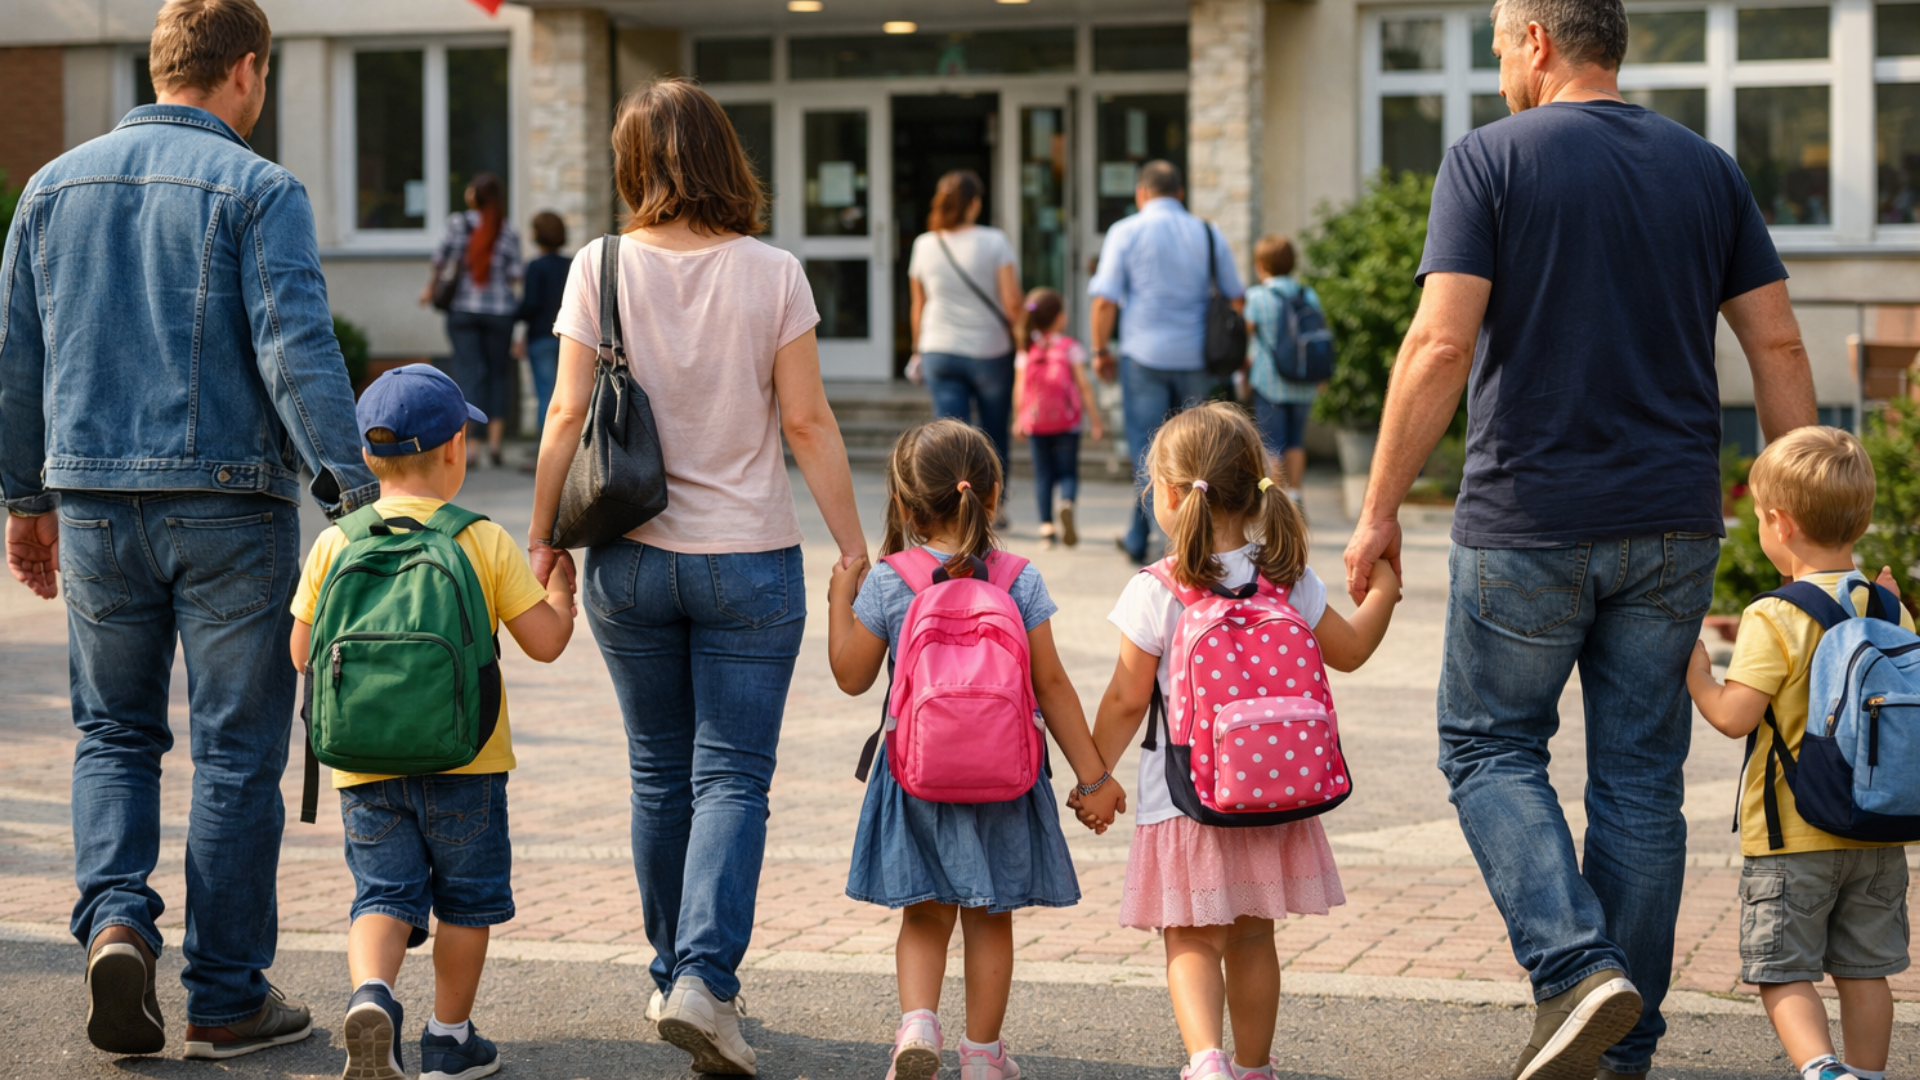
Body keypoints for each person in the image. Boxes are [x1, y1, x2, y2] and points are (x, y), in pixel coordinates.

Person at [1339, 0, 1820, 1074]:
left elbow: (1437, 344)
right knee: (1643, 783)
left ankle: (1572, 970)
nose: (1498, 60)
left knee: (1488, 746)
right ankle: (1619, 1049)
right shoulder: (1707, 169)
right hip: (1672, 523)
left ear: (1539, 42)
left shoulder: (1488, 161)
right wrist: (1810, 530)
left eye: (1502, 39)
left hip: (1530, 521)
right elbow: (1777, 341)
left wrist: (1377, 511)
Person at [0, 0, 377, 1058]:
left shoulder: (49, 187)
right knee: (234, 753)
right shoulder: (260, 189)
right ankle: (222, 996)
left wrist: (25, 501)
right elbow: (297, 351)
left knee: (113, 733)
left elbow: (16, 357)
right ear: (246, 72)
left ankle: (117, 921)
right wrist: (354, 507)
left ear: (157, 64)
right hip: (229, 508)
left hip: (93, 506)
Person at [531, 77, 867, 1076]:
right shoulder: (775, 273)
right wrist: (855, 546)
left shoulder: (597, 266)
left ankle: (671, 963)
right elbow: (806, 423)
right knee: (731, 776)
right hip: (749, 562)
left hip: (628, 559)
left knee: (657, 771)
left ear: (631, 164)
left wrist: (543, 535)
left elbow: (561, 415)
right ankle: (705, 981)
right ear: (725, 154)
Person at [1083, 403, 1399, 1080]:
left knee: (1192, 936)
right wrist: (1388, 593)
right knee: (1254, 934)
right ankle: (1254, 1068)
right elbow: (1351, 652)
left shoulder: (1158, 588)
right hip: (1275, 795)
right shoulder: (1288, 577)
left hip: (1185, 797)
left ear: (1167, 496)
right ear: (1258, 486)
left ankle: (1206, 1062)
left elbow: (1124, 699)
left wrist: (1092, 776)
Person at [287, 365, 575, 1080]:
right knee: (466, 904)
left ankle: (374, 995)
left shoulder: (335, 543)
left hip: (363, 763)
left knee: (381, 894)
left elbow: (301, 653)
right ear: (456, 450)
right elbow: (545, 643)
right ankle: (449, 1039)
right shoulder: (481, 539)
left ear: (367, 457)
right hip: (467, 766)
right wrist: (563, 591)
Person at [825, 419, 1123, 1080]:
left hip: (915, 778)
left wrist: (838, 601)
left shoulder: (891, 580)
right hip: (1006, 782)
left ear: (902, 507)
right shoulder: (1019, 578)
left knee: (925, 917)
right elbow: (1051, 685)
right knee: (990, 918)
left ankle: (917, 1025)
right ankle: (985, 1056)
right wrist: (1094, 777)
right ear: (991, 499)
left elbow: (850, 676)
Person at [1686, 427, 1911, 1080]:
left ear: (1780, 524)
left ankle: (1820, 1068)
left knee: (1782, 971)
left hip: (1793, 836)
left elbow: (1735, 717)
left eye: (1758, 517)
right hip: (1877, 828)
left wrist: (1700, 674)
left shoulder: (1774, 617)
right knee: (1866, 972)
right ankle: (1866, 1075)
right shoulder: (1890, 608)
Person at [1087, 161, 1245, 564]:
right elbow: (1235, 296)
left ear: (1141, 194)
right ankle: (1183, 542)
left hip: (1143, 356)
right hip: (1195, 357)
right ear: (1180, 194)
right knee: (1197, 455)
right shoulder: (1207, 232)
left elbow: (1104, 299)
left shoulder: (1125, 231)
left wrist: (1099, 349)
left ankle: (1143, 541)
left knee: (1147, 450)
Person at [907, 169, 1023, 505]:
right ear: (973, 204)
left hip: (938, 350)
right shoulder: (994, 241)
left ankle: (952, 508)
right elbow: (1013, 302)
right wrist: (1025, 341)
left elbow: (919, 305)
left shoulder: (924, 244)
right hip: (989, 350)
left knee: (952, 439)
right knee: (993, 434)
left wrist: (917, 350)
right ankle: (993, 508)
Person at [422, 172, 522, 469]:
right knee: (498, 375)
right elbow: (516, 273)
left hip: (463, 310)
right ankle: (494, 444)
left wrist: (430, 289)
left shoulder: (458, 223)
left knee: (469, 374)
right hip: (500, 312)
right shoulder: (507, 230)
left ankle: (471, 448)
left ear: (473, 197)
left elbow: (439, 260)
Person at [1011, 288, 1103, 548]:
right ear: (1059, 318)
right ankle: (1067, 503)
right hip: (1067, 422)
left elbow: (1019, 388)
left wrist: (1019, 418)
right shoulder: (1070, 348)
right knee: (1068, 472)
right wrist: (1095, 420)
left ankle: (1046, 529)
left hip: (1036, 422)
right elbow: (1083, 386)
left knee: (1043, 475)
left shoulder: (1026, 350)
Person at [1243, 234, 1322, 506]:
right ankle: (1296, 494)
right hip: (1303, 380)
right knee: (1295, 441)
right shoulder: (1307, 294)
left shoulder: (1256, 296)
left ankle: (1276, 503)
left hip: (1269, 380)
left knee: (1271, 444)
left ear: (1260, 265)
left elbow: (1247, 337)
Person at [515, 211, 570, 440]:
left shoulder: (536, 267)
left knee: (546, 395)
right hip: (570, 337)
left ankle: (546, 452)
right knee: (570, 396)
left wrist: (512, 315)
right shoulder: (572, 263)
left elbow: (530, 304)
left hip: (541, 337)